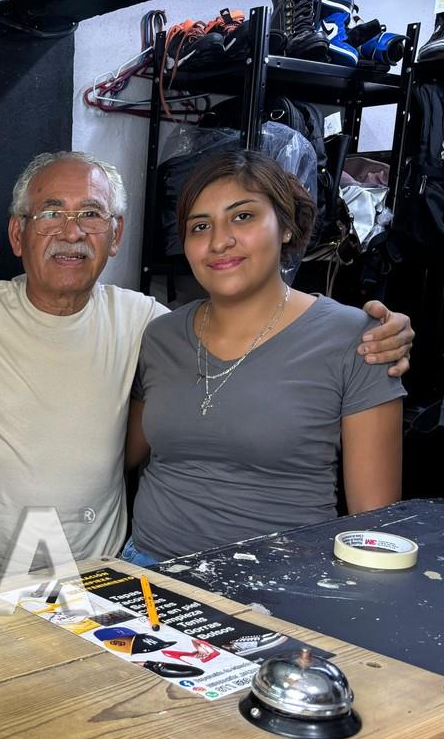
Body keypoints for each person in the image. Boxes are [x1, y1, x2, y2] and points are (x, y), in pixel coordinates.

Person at [0, 152, 414, 577]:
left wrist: (386, 332)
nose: (71, 231)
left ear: (117, 235)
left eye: (92, 214)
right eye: (50, 214)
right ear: (16, 234)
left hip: (111, 575)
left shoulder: (148, 323)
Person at [124, 149, 405, 564]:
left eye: (243, 217)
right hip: (148, 571)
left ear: (286, 227)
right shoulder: (160, 335)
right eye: (200, 226)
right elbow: (119, 457)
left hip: (280, 585)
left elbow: (375, 523)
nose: (219, 241)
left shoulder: (358, 339)